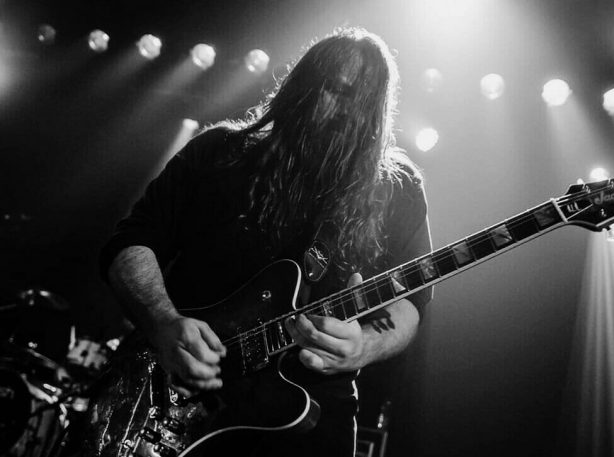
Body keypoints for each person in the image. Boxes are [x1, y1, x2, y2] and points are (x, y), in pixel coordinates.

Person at [100, 27, 433, 456]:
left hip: (310, 417)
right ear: (301, 88)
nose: (348, 113)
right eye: (337, 91)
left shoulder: (397, 190)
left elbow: (410, 301)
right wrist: (162, 322)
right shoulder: (221, 152)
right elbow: (130, 242)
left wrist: (363, 347)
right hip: (177, 391)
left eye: (364, 103)